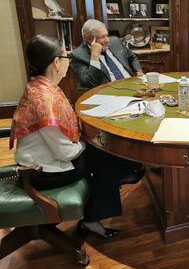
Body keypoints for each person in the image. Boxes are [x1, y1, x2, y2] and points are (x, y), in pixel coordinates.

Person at [11, 35, 144, 239]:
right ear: (56, 63)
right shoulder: (45, 101)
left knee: (107, 154)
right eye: (66, 57)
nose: (68, 61)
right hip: (42, 171)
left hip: (45, 158)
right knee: (106, 158)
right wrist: (85, 140)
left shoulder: (40, 86)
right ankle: (93, 218)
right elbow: (66, 153)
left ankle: (124, 174)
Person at [71, 19, 143, 90]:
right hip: (111, 92)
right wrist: (94, 56)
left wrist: (138, 71)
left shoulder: (115, 41)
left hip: (134, 85)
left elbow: (132, 57)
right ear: (89, 39)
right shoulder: (78, 55)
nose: (107, 40)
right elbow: (92, 83)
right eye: (102, 37)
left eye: (107, 35)